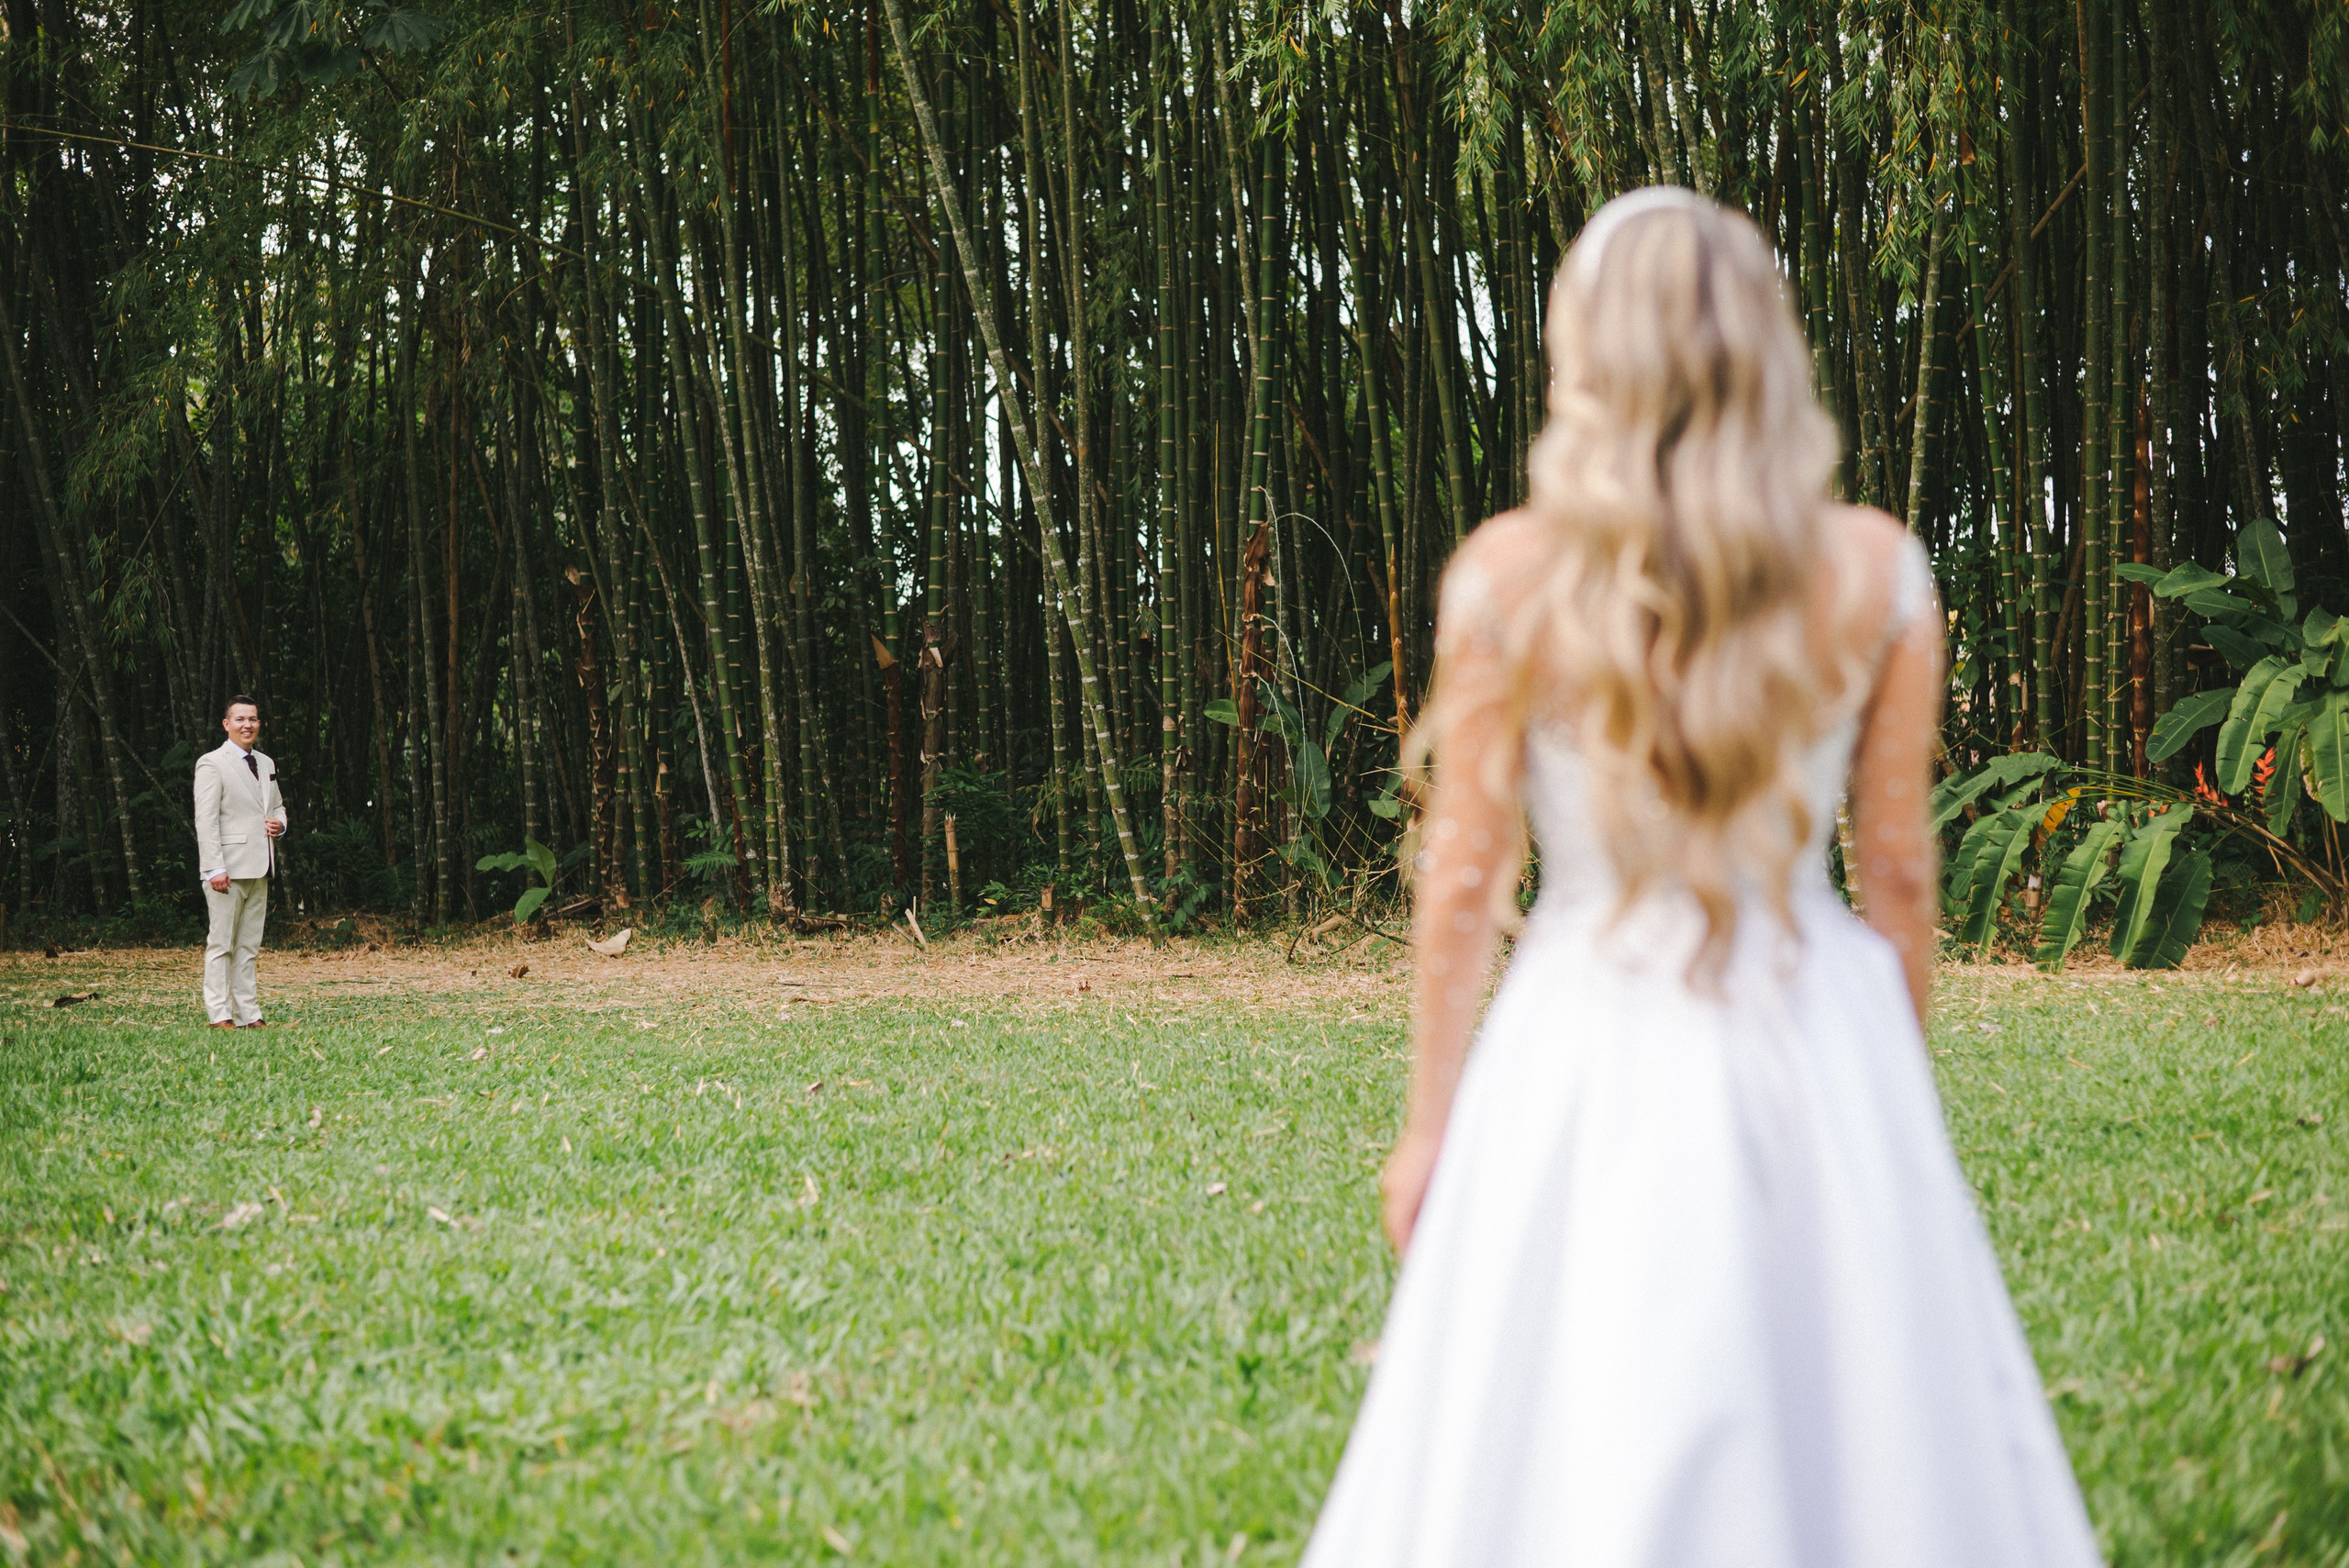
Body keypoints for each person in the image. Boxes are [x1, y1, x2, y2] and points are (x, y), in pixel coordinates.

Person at [1301, 188, 2101, 1566]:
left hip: (1583, 1028)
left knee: (1569, 1406)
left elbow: (1464, 880)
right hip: (1812, 1012)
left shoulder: (1509, 576)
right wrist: (1883, 1088)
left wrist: (1431, 1125)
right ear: (1764, 350)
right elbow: (1899, 875)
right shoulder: (1877, 571)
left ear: (1586, 356)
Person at [195, 695, 287, 1029]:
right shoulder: (212, 762)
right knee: (222, 943)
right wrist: (214, 867)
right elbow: (205, 820)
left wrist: (280, 823)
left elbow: (276, 807)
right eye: (240, 719)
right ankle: (219, 1014)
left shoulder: (266, 763)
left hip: (260, 866)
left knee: (248, 946)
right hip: (227, 869)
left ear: (259, 723)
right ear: (226, 724)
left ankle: (249, 1014)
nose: (247, 725)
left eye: (253, 719)